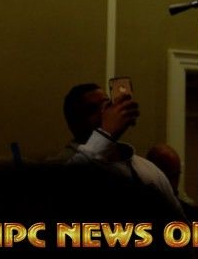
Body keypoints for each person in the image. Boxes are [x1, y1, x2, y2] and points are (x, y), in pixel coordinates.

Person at [52, 82, 184, 218]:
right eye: (92, 109)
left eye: (107, 105)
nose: (105, 113)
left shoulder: (148, 170)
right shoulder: (59, 165)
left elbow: (179, 223)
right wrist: (105, 134)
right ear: (74, 123)